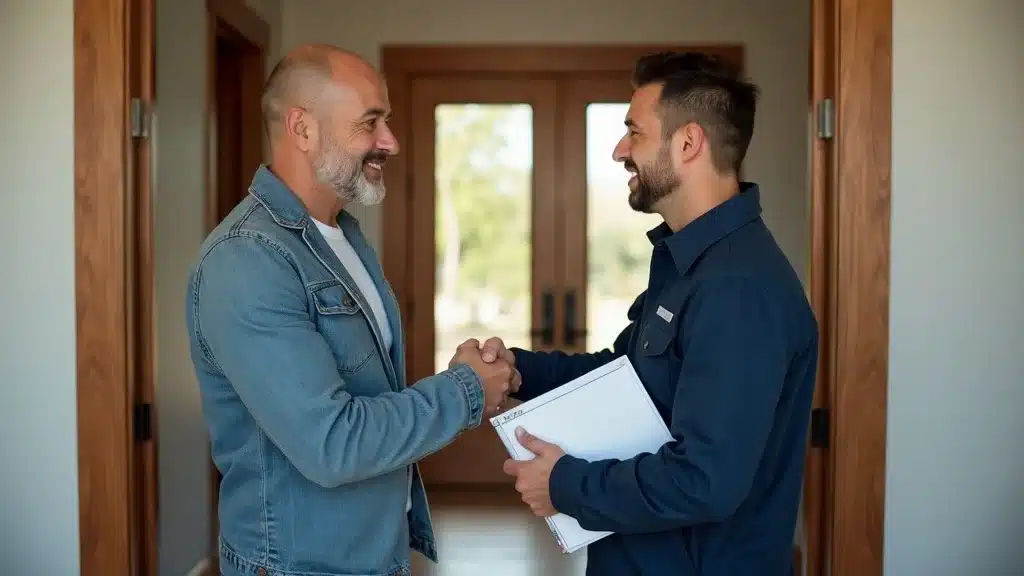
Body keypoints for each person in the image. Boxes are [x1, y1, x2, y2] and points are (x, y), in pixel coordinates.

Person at [185, 44, 518, 576]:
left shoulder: (343, 236)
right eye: (370, 122)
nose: (391, 141)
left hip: (370, 556)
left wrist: (468, 379)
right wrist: (466, 389)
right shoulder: (247, 260)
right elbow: (332, 443)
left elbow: (371, 401)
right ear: (303, 129)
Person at [483, 51, 819, 575]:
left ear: (688, 143)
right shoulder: (689, 264)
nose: (620, 150)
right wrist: (518, 369)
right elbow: (626, 381)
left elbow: (705, 481)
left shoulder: (737, 288)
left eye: (633, 132)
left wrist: (565, 485)